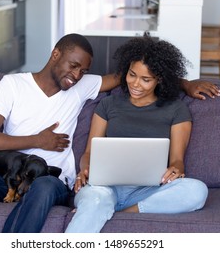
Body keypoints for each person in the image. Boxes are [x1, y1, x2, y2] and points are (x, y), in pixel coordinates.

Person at [0, 33, 218, 233]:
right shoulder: (12, 85)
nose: (77, 75)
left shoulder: (82, 86)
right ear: (56, 54)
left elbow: (142, 75)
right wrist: (39, 141)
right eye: (73, 65)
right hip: (12, 175)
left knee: (42, 187)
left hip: (50, 177)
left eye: (83, 70)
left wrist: (183, 83)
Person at [65, 36, 208, 233]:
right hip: (104, 189)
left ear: (160, 80)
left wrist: (175, 169)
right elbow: (89, 153)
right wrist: (86, 169)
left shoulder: (177, 109)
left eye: (146, 79)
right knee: (96, 198)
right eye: (132, 75)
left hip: (149, 191)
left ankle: (122, 214)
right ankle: (101, 208)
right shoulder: (108, 105)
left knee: (197, 190)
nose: (136, 84)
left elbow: (177, 161)